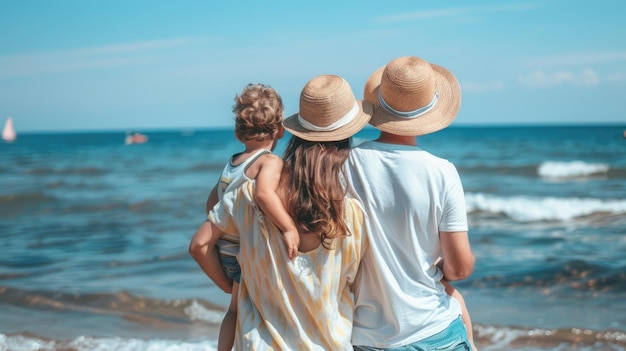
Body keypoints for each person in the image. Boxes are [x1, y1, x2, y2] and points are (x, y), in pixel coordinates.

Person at [192, 74, 372, 350]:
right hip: (331, 343)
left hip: (259, 342)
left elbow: (202, 235)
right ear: (279, 129)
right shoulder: (353, 213)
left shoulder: (244, 196)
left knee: (234, 310)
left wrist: (228, 283)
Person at [345, 56, 477, 351]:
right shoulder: (442, 172)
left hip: (367, 338)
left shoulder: (345, 164)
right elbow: (459, 269)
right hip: (435, 332)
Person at [189, 83, 299, 351]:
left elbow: (211, 205)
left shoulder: (233, 162)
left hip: (225, 252)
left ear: (239, 133)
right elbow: (263, 194)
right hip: (244, 251)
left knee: (235, 312)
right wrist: (287, 227)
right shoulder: (269, 162)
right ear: (280, 129)